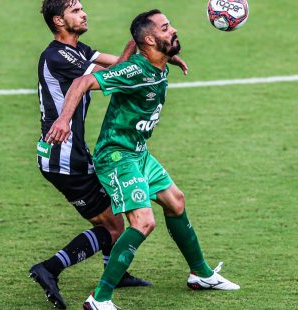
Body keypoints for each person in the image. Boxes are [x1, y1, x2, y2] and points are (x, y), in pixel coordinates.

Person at [45, 9, 240, 310]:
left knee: (176, 202)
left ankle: (200, 274)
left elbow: (141, 48)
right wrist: (63, 121)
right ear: (150, 39)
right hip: (117, 156)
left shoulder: (155, 61)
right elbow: (81, 83)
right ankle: (99, 298)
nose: (173, 30)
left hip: (138, 152)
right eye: (165, 28)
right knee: (143, 222)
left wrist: (167, 55)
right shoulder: (135, 71)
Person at [30, 1, 187, 309]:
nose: (84, 13)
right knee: (114, 226)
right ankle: (49, 268)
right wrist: (139, 45)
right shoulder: (57, 55)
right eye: (75, 10)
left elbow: (124, 65)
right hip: (63, 159)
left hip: (72, 153)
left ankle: (116, 271)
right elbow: (115, 74)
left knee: (117, 207)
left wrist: (161, 53)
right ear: (59, 21)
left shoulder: (78, 49)